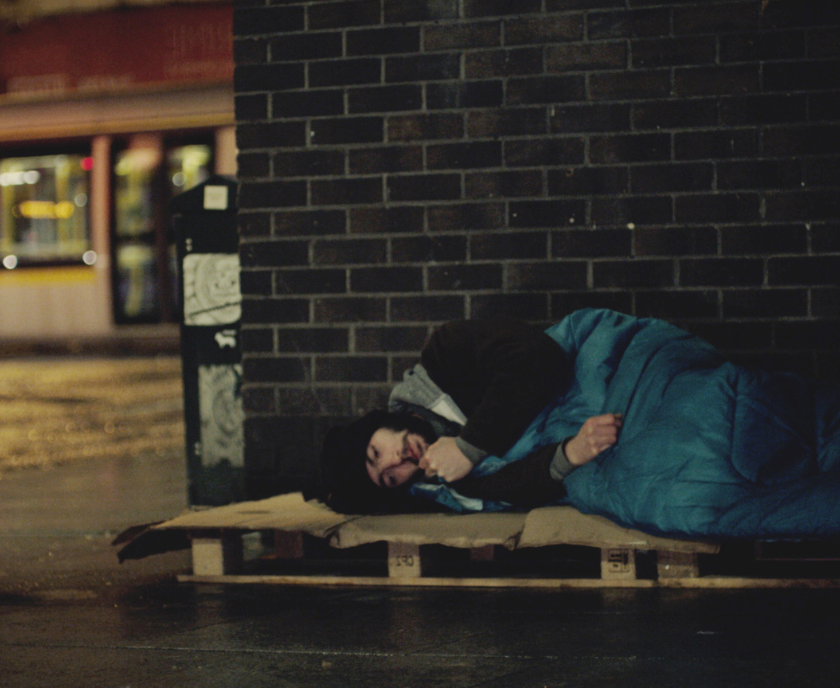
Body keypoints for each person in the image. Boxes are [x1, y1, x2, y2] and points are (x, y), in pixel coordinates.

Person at [310, 317, 622, 514]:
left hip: (607, 363)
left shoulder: (445, 354)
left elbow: (537, 357)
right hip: (599, 440)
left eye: (376, 452)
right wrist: (572, 452)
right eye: (390, 479)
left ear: (376, 426)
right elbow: (519, 487)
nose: (397, 461)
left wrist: (468, 448)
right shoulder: (449, 483)